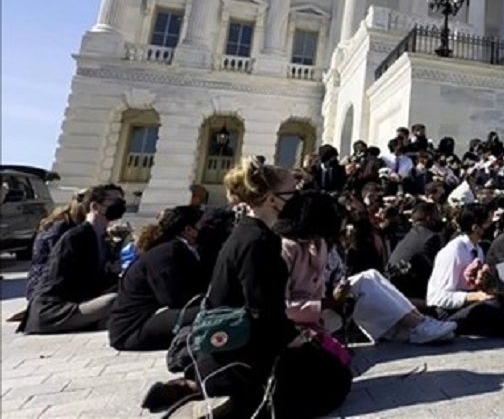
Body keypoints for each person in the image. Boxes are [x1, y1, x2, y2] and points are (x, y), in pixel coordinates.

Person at [142, 158, 349, 417]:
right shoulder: (260, 243)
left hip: (226, 345)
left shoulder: (247, 233)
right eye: (292, 192)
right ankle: (232, 403)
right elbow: (263, 313)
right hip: (241, 352)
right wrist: (298, 340)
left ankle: (197, 385)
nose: (297, 197)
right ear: (273, 199)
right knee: (335, 380)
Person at [275, 191, 455, 344]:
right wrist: (330, 301)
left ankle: (418, 323)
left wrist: (340, 288)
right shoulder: (286, 249)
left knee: (370, 276)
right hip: (303, 316)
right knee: (366, 281)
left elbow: (334, 274)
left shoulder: (321, 244)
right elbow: (281, 306)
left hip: (328, 301)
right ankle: (416, 326)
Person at [24, 185, 125, 335]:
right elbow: (59, 280)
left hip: (78, 302)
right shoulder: (75, 237)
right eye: (113, 200)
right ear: (95, 206)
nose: (119, 205)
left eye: (121, 201)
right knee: (112, 301)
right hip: (56, 310)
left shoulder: (102, 238)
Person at [108, 206, 206, 351]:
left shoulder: (178, 249)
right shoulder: (168, 252)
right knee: (208, 314)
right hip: (132, 331)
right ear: (188, 230)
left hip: (146, 321)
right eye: (202, 225)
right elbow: (172, 298)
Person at [427, 204, 504, 337]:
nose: (491, 226)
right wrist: (474, 296)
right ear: (476, 227)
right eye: (488, 223)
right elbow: (436, 298)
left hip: (468, 304)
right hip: (447, 312)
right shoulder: (454, 252)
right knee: (494, 307)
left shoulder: (478, 249)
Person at [387, 202, 445, 300]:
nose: (441, 218)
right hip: (411, 297)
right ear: (429, 218)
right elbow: (437, 272)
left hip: (394, 292)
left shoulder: (411, 235)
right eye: (438, 214)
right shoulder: (430, 238)